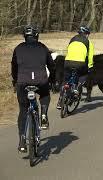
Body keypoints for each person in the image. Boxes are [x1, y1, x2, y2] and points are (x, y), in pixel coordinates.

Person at [11, 25, 55, 153]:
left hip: (22, 82)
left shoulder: (18, 48)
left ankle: (22, 141)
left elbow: (14, 67)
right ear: (36, 36)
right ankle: (43, 114)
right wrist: (52, 81)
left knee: (23, 110)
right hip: (40, 81)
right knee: (45, 94)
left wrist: (15, 81)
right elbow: (51, 66)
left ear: (25, 36)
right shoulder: (42, 47)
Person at [56, 26, 94, 109]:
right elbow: (90, 57)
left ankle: (60, 100)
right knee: (84, 75)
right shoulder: (88, 42)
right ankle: (77, 87)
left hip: (68, 62)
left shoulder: (72, 39)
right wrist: (90, 66)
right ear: (86, 34)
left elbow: (68, 51)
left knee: (66, 80)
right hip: (80, 63)